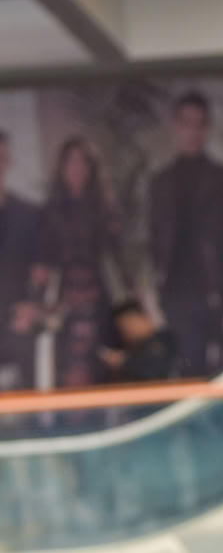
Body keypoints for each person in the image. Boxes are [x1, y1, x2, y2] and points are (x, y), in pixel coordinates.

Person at [149, 90, 223, 377]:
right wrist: (157, 297)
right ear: (176, 126)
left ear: (207, 129)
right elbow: (154, 243)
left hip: (222, 296)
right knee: (189, 376)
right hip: (178, 301)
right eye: (186, 123)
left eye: (199, 124)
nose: (192, 132)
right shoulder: (160, 184)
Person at [29, 136, 123, 390]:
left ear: (91, 167)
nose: (77, 167)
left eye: (82, 161)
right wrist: (39, 302)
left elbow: (119, 259)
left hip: (99, 301)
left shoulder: (104, 210)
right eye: (71, 161)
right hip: (65, 303)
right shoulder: (51, 212)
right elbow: (42, 262)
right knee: (70, 373)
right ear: (62, 167)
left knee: (102, 370)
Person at [0, 130, 43, 389]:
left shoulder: (28, 215)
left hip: (18, 325)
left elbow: (42, 269)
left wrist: (33, 304)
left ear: (8, 160)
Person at [99, 299, 178, 382]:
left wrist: (124, 361)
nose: (129, 330)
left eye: (130, 323)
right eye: (122, 329)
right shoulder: (135, 349)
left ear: (144, 317)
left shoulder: (164, 339)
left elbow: (155, 368)